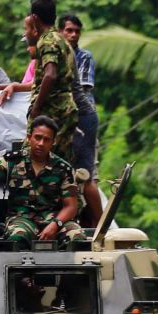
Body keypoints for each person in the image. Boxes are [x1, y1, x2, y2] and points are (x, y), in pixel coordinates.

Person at [0, 116, 81, 248]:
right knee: (17, 237)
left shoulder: (63, 168)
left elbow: (71, 206)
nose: (41, 143)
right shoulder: (12, 161)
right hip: (22, 219)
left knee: (77, 237)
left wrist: (55, 225)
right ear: (29, 137)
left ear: (53, 142)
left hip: (55, 219)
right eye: (38, 137)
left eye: (46, 140)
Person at [60, 12, 102, 225]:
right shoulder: (55, 55)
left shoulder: (83, 57)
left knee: (86, 175)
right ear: (60, 32)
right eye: (69, 30)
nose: (73, 35)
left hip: (82, 119)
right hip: (64, 121)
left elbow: (79, 90)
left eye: (77, 31)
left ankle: (100, 225)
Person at [26, 0, 79, 160]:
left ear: (34, 18)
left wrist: (37, 107)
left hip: (51, 109)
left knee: (33, 158)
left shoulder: (47, 40)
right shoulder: (61, 39)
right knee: (60, 162)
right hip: (66, 107)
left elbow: (50, 74)